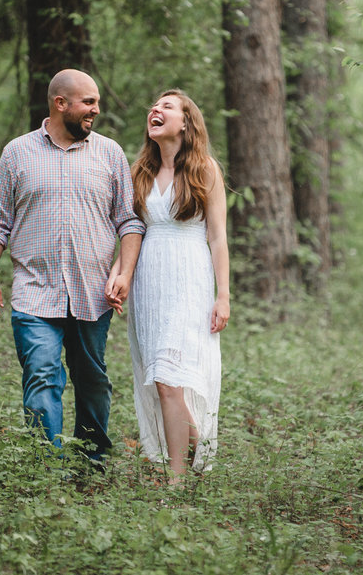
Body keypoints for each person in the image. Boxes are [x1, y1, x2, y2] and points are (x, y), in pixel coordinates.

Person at [0, 68, 145, 462]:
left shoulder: (110, 153)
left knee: (93, 383)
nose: (96, 111)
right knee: (41, 377)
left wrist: (124, 273)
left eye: (96, 103)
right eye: (89, 102)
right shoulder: (17, 153)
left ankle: (91, 463)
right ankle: (46, 467)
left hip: (93, 293)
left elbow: (129, 220)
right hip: (36, 292)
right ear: (60, 103)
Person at [119, 89, 229, 484]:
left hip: (189, 279)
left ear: (186, 122)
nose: (155, 110)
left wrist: (223, 295)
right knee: (163, 380)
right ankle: (199, 448)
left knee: (169, 377)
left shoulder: (205, 170)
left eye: (167, 106)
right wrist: (121, 274)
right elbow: (130, 230)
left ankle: (177, 481)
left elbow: (217, 238)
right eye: (154, 106)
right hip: (151, 281)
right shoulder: (140, 172)